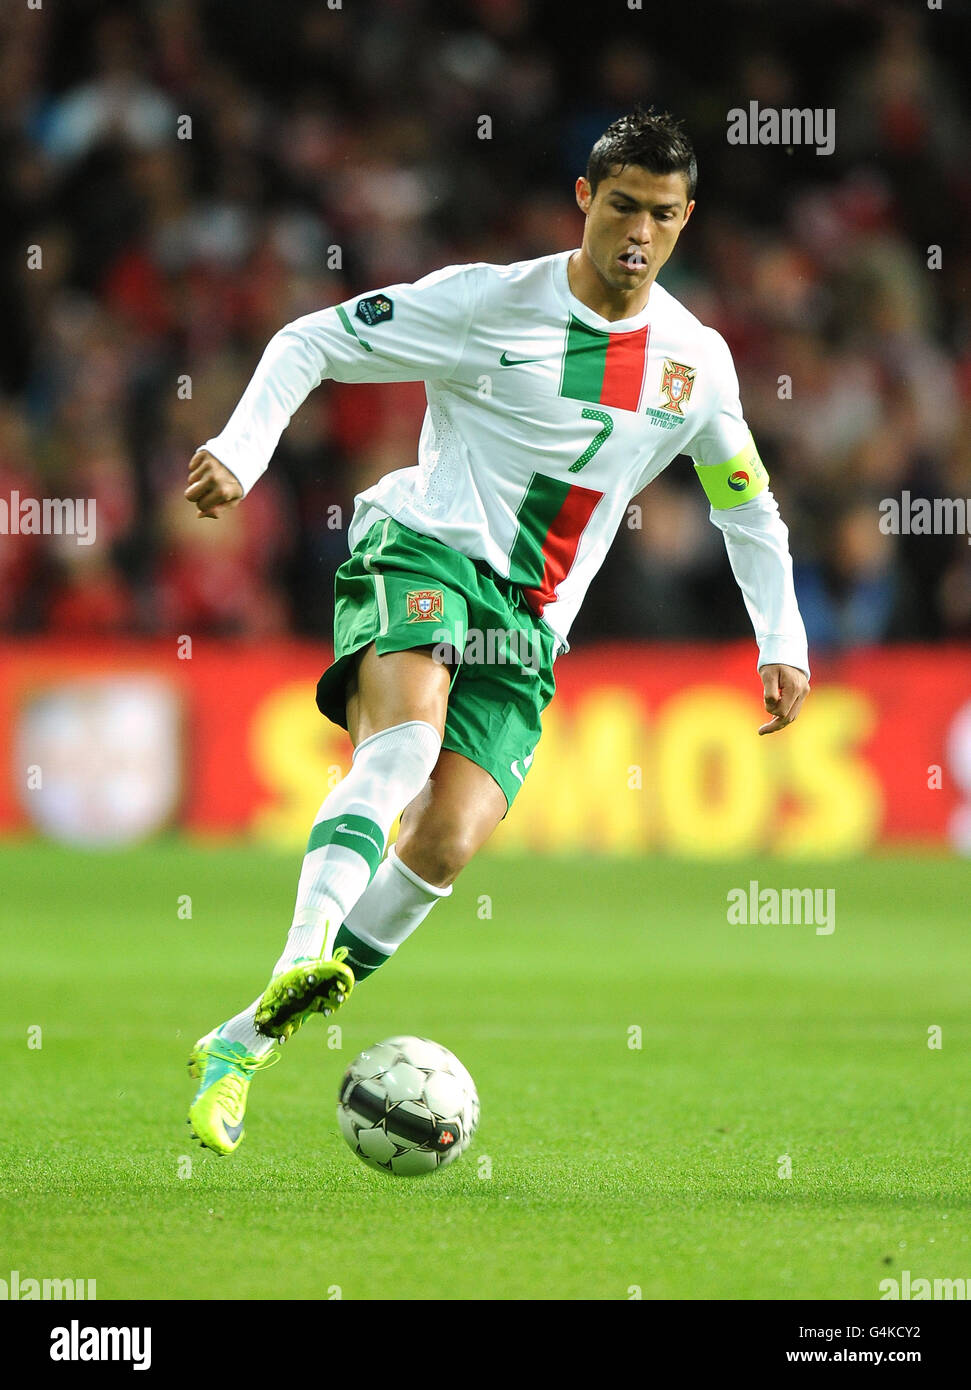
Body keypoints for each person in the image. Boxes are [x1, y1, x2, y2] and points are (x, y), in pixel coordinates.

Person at [184, 109, 810, 1155]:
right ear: (584, 199)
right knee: (405, 746)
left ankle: (241, 1041)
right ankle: (302, 950)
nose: (637, 234)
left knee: (446, 839)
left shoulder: (693, 364)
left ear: (685, 218)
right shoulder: (485, 302)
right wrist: (239, 452)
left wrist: (778, 637)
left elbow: (742, 502)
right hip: (423, 552)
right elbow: (313, 340)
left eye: (661, 214)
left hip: (528, 623)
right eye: (620, 207)